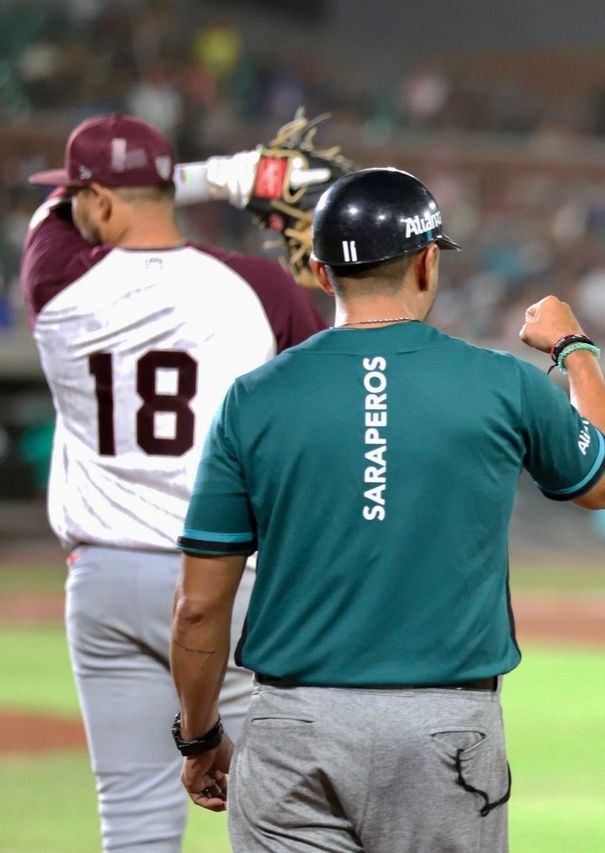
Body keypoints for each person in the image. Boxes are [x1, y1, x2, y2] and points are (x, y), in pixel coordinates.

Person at [169, 167, 605, 852]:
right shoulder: (501, 383)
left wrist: (200, 735)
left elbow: (198, 607)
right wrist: (576, 351)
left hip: (290, 729)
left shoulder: (255, 397)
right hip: (444, 728)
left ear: (322, 273)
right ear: (426, 262)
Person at [20, 112, 325, 852]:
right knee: (275, 818)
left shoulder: (56, 282)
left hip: (105, 579)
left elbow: (49, 215)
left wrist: (217, 175)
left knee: (134, 821)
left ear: (97, 198)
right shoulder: (258, 287)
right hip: (226, 578)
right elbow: (325, 403)